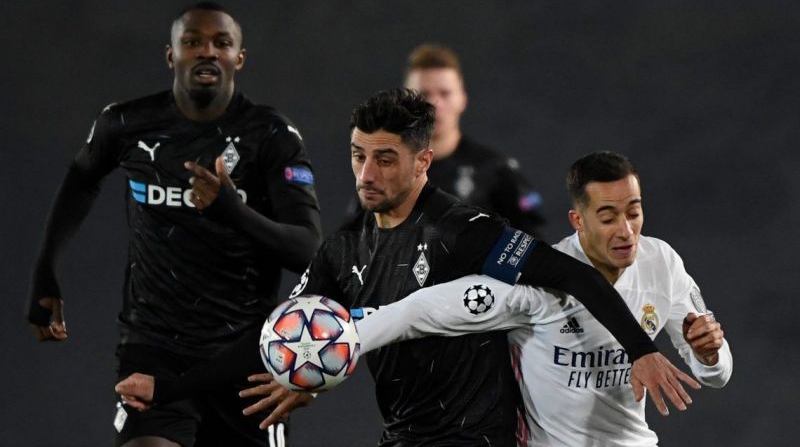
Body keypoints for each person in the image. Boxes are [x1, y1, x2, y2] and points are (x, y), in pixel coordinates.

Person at [118, 89, 698, 446]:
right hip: (405, 436)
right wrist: (170, 387)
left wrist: (640, 347)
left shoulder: (464, 232)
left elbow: (568, 275)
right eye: (358, 155)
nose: (367, 172)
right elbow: (274, 334)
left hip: (478, 439)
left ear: (423, 161)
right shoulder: (342, 253)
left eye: (385, 158)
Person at [27, 2, 321, 447]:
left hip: (245, 356)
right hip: (153, 347)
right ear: (171, 55)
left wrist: (233, 213)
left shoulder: (272, 136)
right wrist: (45, 269)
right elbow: (81, 179)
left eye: (221, 43)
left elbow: (308, 252)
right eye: (193, 42)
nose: (208, 52)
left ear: (239, 58)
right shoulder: (126, 124)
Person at [354, 151, 733, 446]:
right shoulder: (538, 283)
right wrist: (347, 339)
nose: (626, 231)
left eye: (634, 213)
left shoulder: (661, 263)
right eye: (608, 217)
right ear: (577, 220)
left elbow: (715, 375)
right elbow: (423, 309)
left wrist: (709, 354)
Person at [404, 44, 546, 237]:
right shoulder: (385, 171)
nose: (434, 104)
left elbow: (533, 243)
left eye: (445, 93)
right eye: (423, 94)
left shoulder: (494, 169)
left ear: (462, 99)